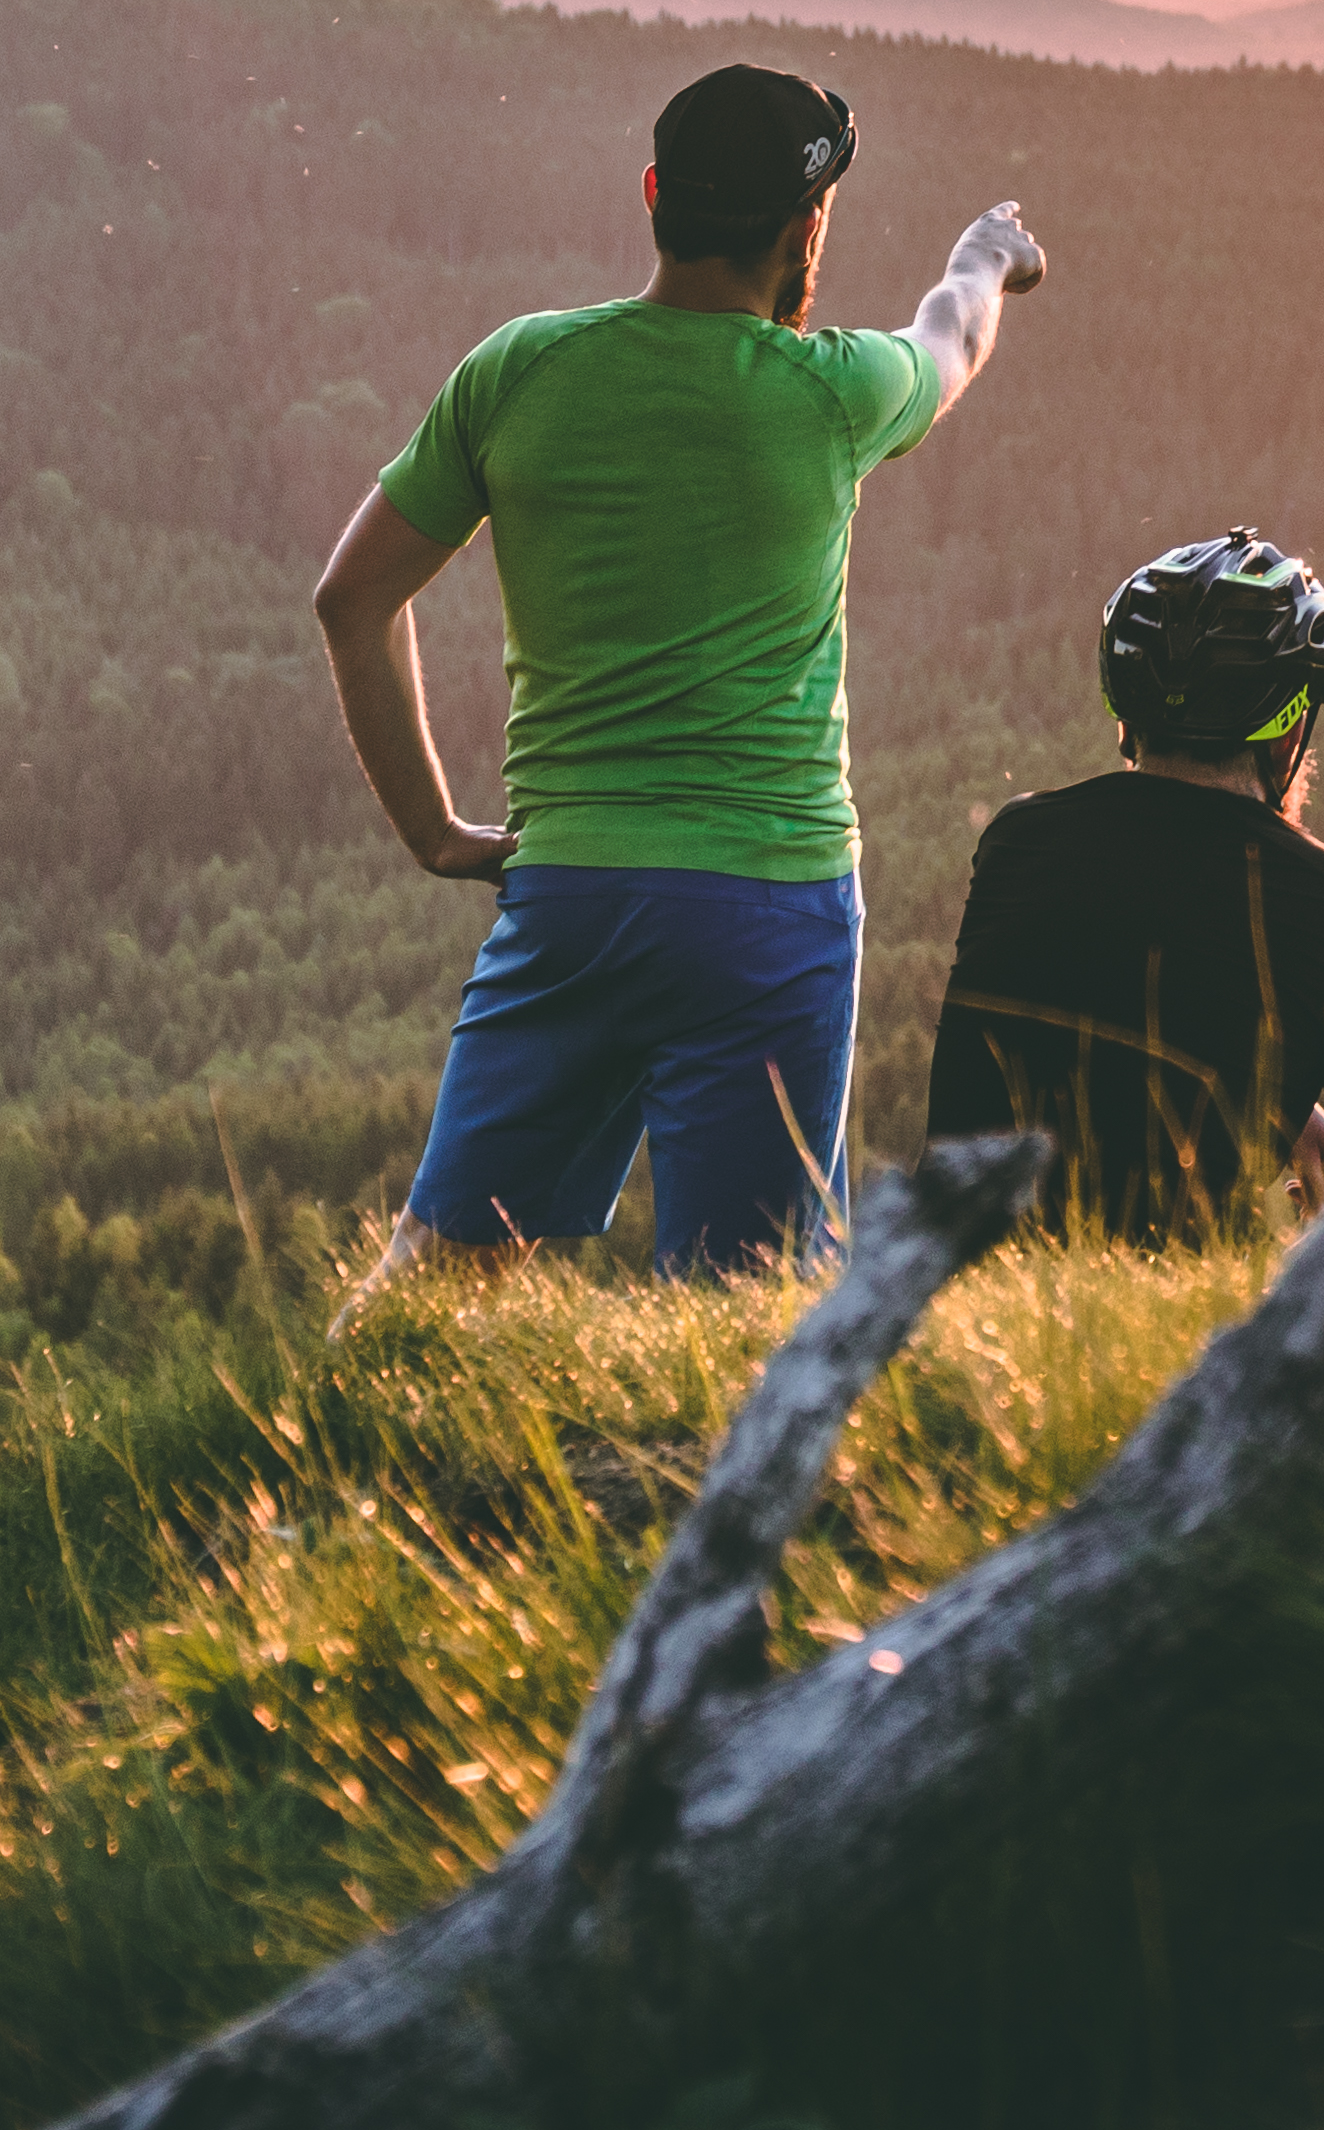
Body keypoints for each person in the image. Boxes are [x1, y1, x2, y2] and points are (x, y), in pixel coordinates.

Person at [314, 63, 1045, 1273]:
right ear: (806, 226)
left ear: (655, 193)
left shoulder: (521, 370)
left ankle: (313, 1455)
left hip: (571, 892)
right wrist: (986, 254)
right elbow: (954, 332)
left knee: (438, 1286)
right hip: (772, 902)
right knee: (744, 1304)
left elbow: (353, 599)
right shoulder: (833, 394)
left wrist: (433, 829)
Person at [927, 532, 1324, 1243]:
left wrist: (1284, 1108)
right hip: (1176, 1339)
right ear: (1289, 734)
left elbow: (1125, 1007)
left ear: (1127, 720)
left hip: (943, 1296)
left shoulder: (1017, 843)